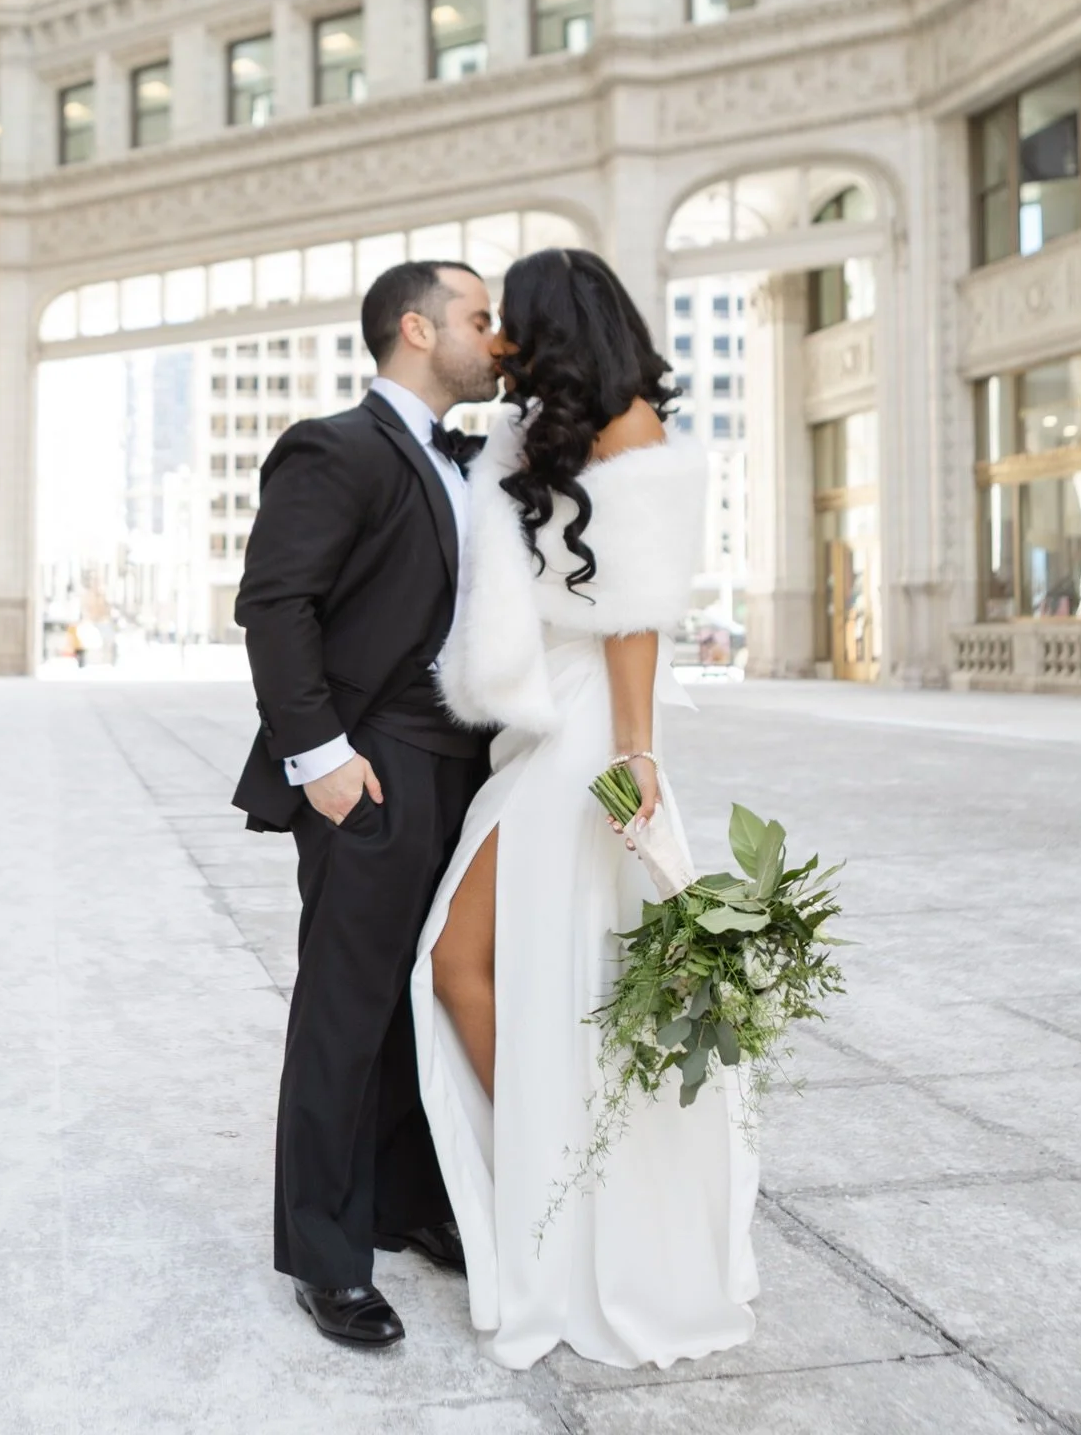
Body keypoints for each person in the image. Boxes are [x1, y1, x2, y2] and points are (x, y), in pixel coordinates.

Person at [412, 247, 760, 1370]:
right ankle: (561, 1189)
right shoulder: (542, 434)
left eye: (513, 320)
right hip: (538, 732)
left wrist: (640, 754)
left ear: (558, 325)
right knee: (535, 973)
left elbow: (635, 617)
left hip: (589, 741)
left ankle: (563, 1195)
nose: (501, 336)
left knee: (461, 964)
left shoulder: (632, 432)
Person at [232, 259, 498, 1350]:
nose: (499, 338)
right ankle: (326, 1255)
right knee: (347, 1008)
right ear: (416, 330)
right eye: (481, 320)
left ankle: (404, 1201)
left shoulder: (482, 462)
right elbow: (274, 602)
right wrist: (322, 757)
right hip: (372, 763)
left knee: (423, 1001)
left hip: (468, 768)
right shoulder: (332, 448)